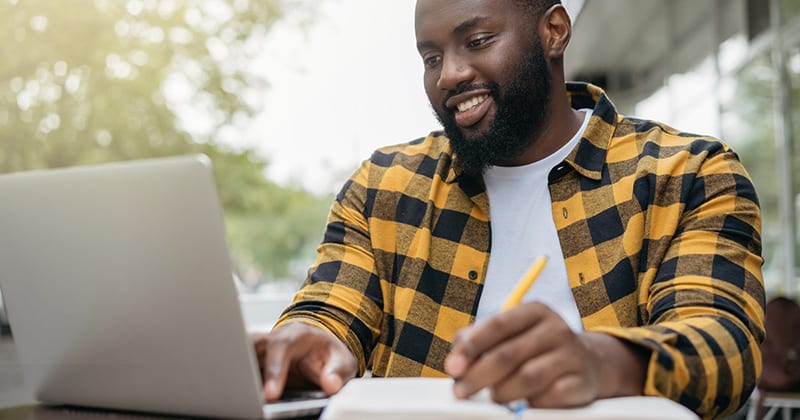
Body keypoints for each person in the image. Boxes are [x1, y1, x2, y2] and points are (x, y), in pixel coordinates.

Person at [253, 0, 766, 418]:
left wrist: (603, 361)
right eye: (431, 58)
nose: (449, 75)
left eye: (477, 42)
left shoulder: (686, 174)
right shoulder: (384, 186)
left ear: (555, 31)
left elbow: (723, 346)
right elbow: (329, 309)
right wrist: (310, 342)